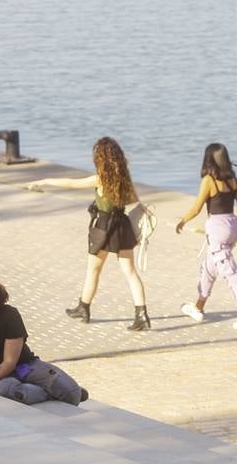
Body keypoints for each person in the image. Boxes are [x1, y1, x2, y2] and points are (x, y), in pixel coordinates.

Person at [26, 137, 150, 331]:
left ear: (100, 158)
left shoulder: (100, 178)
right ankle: (141, 315)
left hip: (103, 227)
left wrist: (44, 181)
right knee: (130, 272)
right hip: (122, 226)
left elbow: (70, 183)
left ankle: (84, 308)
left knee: (93, 270)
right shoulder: (124, 177)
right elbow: (134, 200)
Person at [0, 269, 88, 406]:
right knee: (5, 390)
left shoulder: (9, 314)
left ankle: (66, 390)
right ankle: (48, 393)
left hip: (24, 365)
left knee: (72, 394)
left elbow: (10, 362)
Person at [176, 143, 237, 330]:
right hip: (233, 226)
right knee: (209, 267)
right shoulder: (233, 180)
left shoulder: (208, 180)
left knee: (230, 272)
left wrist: (182, 221)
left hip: (217, 229)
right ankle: (198, 308)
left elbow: (197, 208)